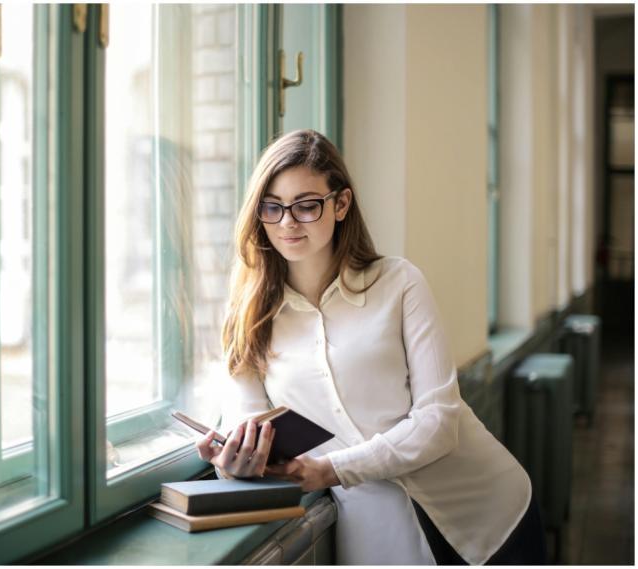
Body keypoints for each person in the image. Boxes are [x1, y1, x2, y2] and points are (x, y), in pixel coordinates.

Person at [195, 129, 546, 565]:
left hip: (489, 514)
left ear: (340, 204)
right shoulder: (249, 319)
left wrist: (331, 470)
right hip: (381, 539)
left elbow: (440, 420)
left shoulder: (400, 283)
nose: (287, 222)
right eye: (272, 207)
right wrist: (234, 465)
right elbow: (248, 429)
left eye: (306, 205)